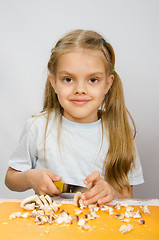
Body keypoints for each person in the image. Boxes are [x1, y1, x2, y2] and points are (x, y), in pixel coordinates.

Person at [5, 29, 144, 205]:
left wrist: (110, 192)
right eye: (68, 79)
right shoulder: (38, 127)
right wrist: (30, 177)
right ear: (54, 82)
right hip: (49, 228)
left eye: (93, 80)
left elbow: (128, 197)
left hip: (101, 229)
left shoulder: (120, 132)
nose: (80, 89)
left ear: (108, 84)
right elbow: (10, 178)